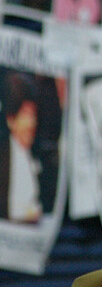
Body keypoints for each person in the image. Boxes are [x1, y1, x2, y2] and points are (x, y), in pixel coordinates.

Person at [0, 71, 42, 223]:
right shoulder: (3, 157)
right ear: (11, 120)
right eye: (26, 115)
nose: (31, 122)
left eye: (33, 115)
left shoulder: (38, 156)